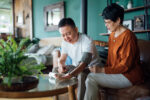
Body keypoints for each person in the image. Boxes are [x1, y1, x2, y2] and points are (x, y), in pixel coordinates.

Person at [84, 3, 143, 100]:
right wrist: (102, 69)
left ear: (118, 20)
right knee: (90, 75)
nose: (105, 25)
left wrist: (102, 70)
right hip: (116, 73)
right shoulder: (112, 35)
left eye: (108, 22)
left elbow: (125, 66)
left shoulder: (128, 36)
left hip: (128, 75)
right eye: (105, 22)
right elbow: (110, 60)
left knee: (91, 78)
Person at [52, 17, 102, 100]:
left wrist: (70, 75)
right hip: (76, 66)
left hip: (91, 67)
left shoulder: (87, 40)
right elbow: (62, 59)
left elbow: (83, 64)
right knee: (55, 70)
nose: (66, 37)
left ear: (76, 29)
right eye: (63, 35)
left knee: (82, 74)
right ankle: (58, 98)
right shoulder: (65, 42)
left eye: (68, 33)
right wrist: (61, 65)